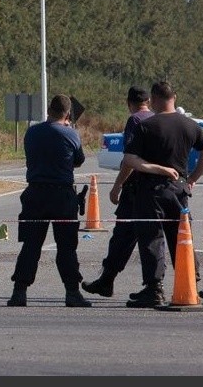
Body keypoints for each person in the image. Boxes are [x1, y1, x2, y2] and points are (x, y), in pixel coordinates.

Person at [122, 81, 203, 308]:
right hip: (179, 189)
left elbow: (130, 159)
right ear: (174, 97)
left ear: (153, 99)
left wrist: (157, 168)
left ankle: (154, 289)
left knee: (152, 238)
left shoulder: (147, 126)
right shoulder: (190, 125)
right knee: (181, 237)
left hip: (151, 190)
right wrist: (192, 179)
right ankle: (190, 281)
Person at [7, 94, 91, 307]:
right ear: (67, 113)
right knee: (66, 247)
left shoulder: (32, 132)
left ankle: (19, 292)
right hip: (62, 196)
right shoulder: (71, 134)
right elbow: (79, 161)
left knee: (31, 245)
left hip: (35, 194)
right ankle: (72, 292)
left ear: (48, 111)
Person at [81, 86, 154, 297]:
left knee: (123, 235)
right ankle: (184, 280)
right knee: (156, 237)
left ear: (129, 103)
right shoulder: (157, 119)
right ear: (149, 101)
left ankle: (107, 280)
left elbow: (130, 159)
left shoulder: (135, 121)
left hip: (135, 188)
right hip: (156, 187)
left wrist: (117, 186)